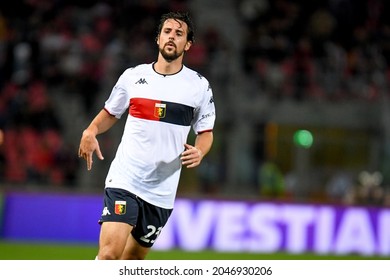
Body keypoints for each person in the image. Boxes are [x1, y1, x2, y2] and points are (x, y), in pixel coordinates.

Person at [78, 11, 216, 260]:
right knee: (109, 255)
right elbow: (111, 112)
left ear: (188, 44)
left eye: (179, 33)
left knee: (132, 262)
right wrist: (91, 129)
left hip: (161, 191)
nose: (171, 37)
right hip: (125, 179)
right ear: (158, 39)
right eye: (167, 32)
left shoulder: (198, 86)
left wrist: (200, 150)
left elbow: (205, 132)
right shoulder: (133, 76)